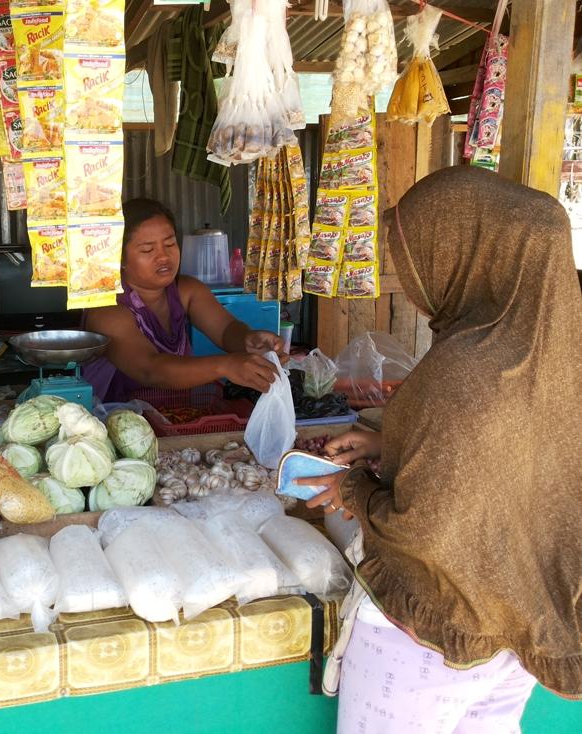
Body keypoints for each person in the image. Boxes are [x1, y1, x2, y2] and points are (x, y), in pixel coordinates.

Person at [296, 166, 582, 731]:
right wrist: (391, 441)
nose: (414, 283)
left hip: (428, 638)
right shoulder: (560, 351)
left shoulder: (464, 368)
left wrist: (353, 488)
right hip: (520, 628)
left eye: (417, 260)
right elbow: (519, 455)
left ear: (466, 253)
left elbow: (423, 530)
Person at [83, 198, 286, 402]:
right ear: (119, 258)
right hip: (117, 417)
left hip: (176, 415)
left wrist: (248, 341)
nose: (163, 256)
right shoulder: (107, 310)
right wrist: (226, 365)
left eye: (170, 244)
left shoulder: (187, 290)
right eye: (147, 250)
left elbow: (225, 329)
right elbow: (150, 369)